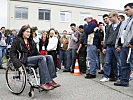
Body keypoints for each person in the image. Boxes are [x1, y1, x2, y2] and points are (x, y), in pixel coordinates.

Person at [10, 25, 60, 90]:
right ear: (22, 32)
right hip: (23, 60)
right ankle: (43, 83)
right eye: (27, 32)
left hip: (32, 58)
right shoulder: (16, 41)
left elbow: (36, 52)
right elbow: (12, 54)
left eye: (29, 32)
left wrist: (42, 56)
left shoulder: (31, 41)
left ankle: (50, 80)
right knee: (41, 58)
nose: (29, 33)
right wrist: (18, 65)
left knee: (49, 57)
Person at [114, 3, 133, 87]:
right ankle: (124, 81)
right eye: (124, 10)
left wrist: (132, 43)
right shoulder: (126, 21)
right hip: (124, 46)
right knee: (124, 65)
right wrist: (119, 45)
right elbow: (121, 34)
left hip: (131, 46)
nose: (125, 12)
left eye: (127, 9)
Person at [100, 12, 122, 82]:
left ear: (115, 16)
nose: (109, 19)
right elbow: (106, 37)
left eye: (110, 17)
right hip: (109, 46)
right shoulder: (109, 26)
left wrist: (120, 46)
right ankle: (106, 76)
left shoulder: (121, 25)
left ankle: (121, 77)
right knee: (107, 62)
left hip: (116, 46)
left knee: (119, 62)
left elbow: (122, 36)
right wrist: (105, 47)